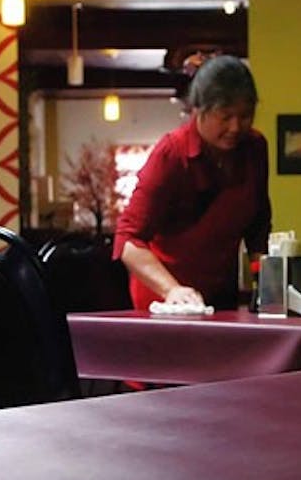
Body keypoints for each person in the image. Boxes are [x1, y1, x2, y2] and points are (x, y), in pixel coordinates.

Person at [112, 55, 271, 310]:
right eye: (225, 116)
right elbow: (128, 241)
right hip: (167, 301)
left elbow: (258, 226)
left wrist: (265, 283)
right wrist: (172, 290)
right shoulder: (172, 153)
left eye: (245, 116)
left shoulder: (254, 148)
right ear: (199, 110)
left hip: (221, 298)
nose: (235, 127)